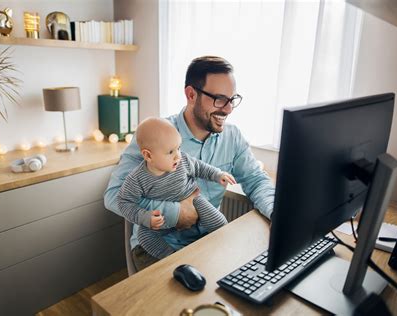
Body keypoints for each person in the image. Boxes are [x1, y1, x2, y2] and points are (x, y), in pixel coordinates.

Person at [104, 56, 275, 271]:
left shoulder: (233, 137)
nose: (228, 109)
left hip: (207, 241)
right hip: (158, 245)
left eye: (232, 99)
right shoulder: (154, 136)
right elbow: (114, 196)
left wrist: (275, 210)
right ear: (191, 94)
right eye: (220, 99)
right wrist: (175, 213)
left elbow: (255, 180)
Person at [117, 117, 236, 259]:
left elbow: (199, 167)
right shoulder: (137, 179)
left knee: (219, 222)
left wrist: (217, 174)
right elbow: (123, 202)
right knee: (144, 236)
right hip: (163, 218)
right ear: (148, 155)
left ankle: (224, 247)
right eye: (170, 152)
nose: (178, 156)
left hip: (193, 202)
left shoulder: (182, 161)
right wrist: (144, 217)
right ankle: (170, 257)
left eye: (178, 148)